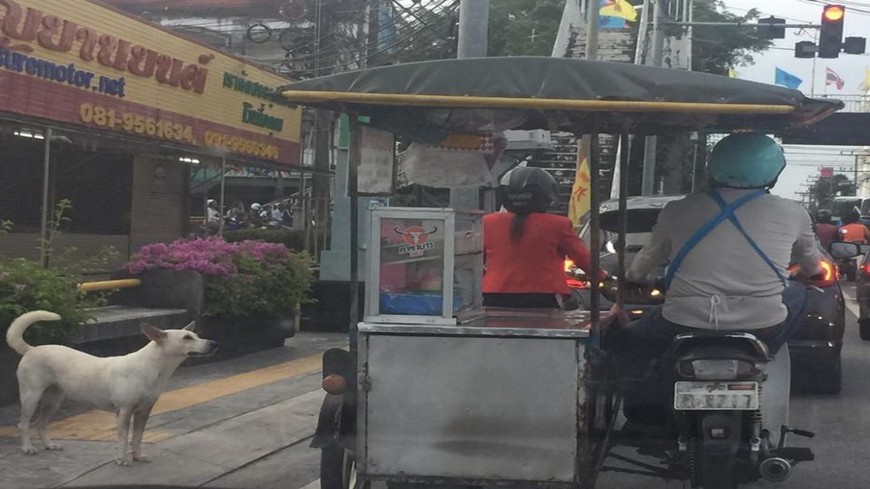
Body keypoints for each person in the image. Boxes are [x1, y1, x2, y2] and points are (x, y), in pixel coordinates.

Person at [607, 133, 822, 419]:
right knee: (796, 292)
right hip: (760, 323)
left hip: (681, 321)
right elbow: (813, 267)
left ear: (714, 166)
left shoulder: (679, 208)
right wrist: (811, 275)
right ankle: (763, 354)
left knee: (626, 341)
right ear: (773, 174)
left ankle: (641, 415)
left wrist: (634, 279)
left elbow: (644, 264)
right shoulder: (793, 212)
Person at [482, 166, 603, 309]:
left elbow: (475, 259)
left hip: (495, 293)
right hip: (543, 296)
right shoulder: (558, 224)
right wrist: (602, 276)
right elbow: (583, 258)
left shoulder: (488, 222)